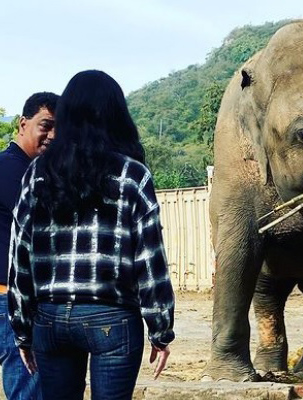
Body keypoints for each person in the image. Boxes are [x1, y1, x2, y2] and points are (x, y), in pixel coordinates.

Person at [8, 70, 175, 400]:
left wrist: (22, 328)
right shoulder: (132, 175)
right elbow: (150, 258)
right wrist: (160, 328)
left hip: (50, 319)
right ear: (116, 116)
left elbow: (20, 253)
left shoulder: (37, 174)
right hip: (112, 319)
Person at [0, 92, 58, 399]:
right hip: (10, 300)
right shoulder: (14, 170)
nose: (52, 136)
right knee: (28, 390)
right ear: (23, 124)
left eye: (58, 130)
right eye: (45, 125)